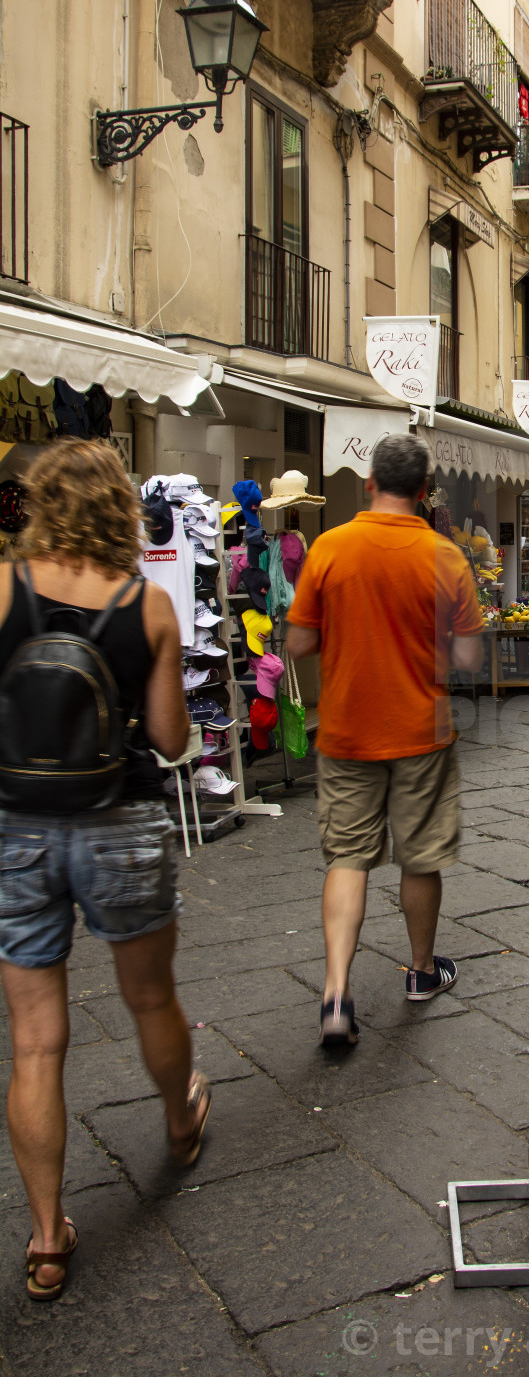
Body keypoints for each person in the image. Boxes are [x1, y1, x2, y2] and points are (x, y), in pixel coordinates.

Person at [0, 441, 202, 1302]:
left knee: (35, 1042)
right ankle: (180, 1118)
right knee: (151, 997)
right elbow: (169, 740)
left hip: (17, 829)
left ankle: (47, 1238)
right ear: (122, 508)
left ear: (41, 503)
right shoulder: (146, 604)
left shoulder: (2, 589)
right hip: (119, 818)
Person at [287, 435, 484, 1044]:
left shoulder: (329, 546)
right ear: (426, 492)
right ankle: (422, 973)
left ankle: (336, 993)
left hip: (346, 729)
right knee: (420, 855)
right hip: (421, 729)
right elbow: (472, 659)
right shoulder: (446, 556)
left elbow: (297, 644)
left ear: (370, 482)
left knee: (348, 856)